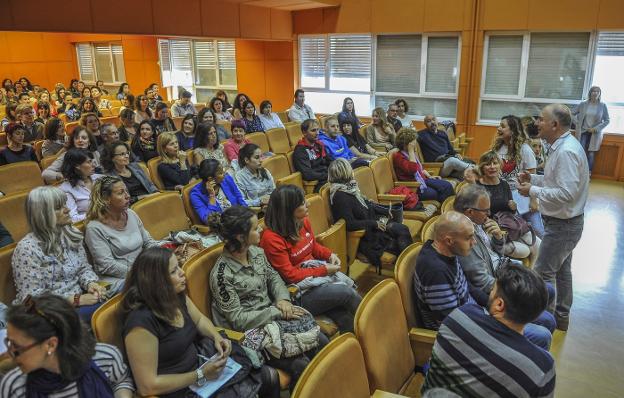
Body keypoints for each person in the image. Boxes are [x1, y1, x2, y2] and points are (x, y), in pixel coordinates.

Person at [209, 206, 323, 394]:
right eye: (255, 228)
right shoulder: (221, 275)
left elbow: (274, 278)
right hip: (250, 333)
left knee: (320, 340)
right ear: (240, 237)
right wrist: (276, 311)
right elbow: (237, 319)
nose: (261, 230)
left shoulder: (256, 252)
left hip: (273, 317)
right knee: (302, 366)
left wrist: (283, 299)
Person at [122, 247, 256, 398]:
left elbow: (199, 320)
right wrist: (200, 374)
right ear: (156, 282)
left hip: (200, 369)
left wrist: (217, 337)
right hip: (178, 389)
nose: (182, 272)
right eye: (173, 271)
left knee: (268, 376)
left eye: (178, 266)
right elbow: (148, 386)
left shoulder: (175, 295)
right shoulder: (141, 323)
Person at [413, 211, 553, 350]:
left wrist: (491, 303)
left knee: (546, 319)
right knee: (542, 335)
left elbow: (468, 285)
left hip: (475, 315)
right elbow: (451, 320)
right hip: (463, 334)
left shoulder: (446, 251)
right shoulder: (435, 271)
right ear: (449, 240)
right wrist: (493, 318)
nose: (474, 242)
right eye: (468, 238)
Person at [421, 265, 556, 398]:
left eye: (492, 290)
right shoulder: (543, 368)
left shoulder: (460, 315)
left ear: (499, 304)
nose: (490, 293)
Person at [517, 104, 589, 331]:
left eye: (541, 119)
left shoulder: (566, 151)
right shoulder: (562, 146)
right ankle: (561, 317)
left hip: (563, 225)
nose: (536, 123)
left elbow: (566, 194)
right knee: (562, 270)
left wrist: (532, 191)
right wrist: (534, 178)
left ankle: (543, 323)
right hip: (565, 223)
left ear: (555, 125)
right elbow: (556, 182)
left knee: (542, 274)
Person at [260, 185, 362, 333]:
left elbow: (313, 246)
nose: (308, 204)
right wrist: (324, 270)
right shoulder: (271, 239)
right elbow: (290, 275)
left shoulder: (303, 221)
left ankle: (362, 344)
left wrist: (329, 254)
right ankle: (372, 324)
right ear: (288, 210)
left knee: (344, 316)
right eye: (302, 203)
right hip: (298, 292)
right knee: (347, 293)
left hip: (314, 278)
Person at [0, 294, 135, 397]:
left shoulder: (106, 358)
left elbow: (121, 382)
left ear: (51, 345)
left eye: (16, 346)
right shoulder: (14, 386)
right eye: (9, 342)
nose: (9, 353)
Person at [11, 187, 108, 319]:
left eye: (65, 204)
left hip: (82, 299)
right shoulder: (27, 249)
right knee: (110, 310)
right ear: (43, 214)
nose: (67, 209)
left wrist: (91, 284)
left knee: (120, 297)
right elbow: (31, 300)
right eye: (58, 208)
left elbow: (83, 269)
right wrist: (76, 300)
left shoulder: (70, 233)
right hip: (50, 314)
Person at [328, 158, 412, 269]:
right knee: (399, 239)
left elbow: (368, 205)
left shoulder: (351, 187)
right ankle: (407, 268)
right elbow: (349, 224)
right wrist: (374, 223)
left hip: (372, 224)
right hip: (365, 236)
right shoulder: (340, 196)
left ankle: (408, 267)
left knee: (402, 229)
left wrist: (386, 211)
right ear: (346, 172)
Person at [85, 176, 161, 290]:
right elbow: (107, 266)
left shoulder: (131, 213)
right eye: (121, 193)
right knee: (161, 285)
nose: (128, 196)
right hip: (119, 279)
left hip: (143, 269)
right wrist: (141, 273)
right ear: (106, 199)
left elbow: (148, 242)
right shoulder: (94, 228)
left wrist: (162, 256)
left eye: (126, 191)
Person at [476, 151, 539, 261]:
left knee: (538, 244)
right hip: (491, 230)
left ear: (500, 165)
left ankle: (532, 274)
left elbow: (511, 212)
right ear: (482, 167)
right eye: (488, 164)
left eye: (495, 163)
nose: (492, 167)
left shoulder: (504, 184)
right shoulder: (478, 186)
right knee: (525, 251)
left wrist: (513, 208)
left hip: (509, 226)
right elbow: (478, 214)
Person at [492, 115, 544, 238]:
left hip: (522, 197)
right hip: (503, 198)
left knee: (538, 230)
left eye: (503, 126)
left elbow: (532, 178)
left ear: (513, 131)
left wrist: (533, 200)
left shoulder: (525, 150)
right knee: (516, 231)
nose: (498, 128)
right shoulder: (497, 148)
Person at [393, 128, 454, 203]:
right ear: (407, 144)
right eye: (413, 142)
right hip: (413, 186)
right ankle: (444, 210)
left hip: (422, 180)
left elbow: (418, 169)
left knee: (447, 186)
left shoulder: (409, 153)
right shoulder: (399, 156)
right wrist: (411, 151)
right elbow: (413, 169)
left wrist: (428, 175)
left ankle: (449, 209)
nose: (415, 143)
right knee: (435, 193)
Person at [417, 114, 472, 178]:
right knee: (452, 161)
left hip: (448, 161)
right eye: (429, 121)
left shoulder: (442, 133)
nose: (432, 122)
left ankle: (475, 173)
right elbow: (409, 137)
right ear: (425, 124)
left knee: (467, 172)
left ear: (437, 121)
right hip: (437, 167)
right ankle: (474, 169)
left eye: (433, 120)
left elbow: (450, 149)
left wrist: (456, 154)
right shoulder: (421, 135)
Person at [59, 149, 104, 223]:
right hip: (90, 225)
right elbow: (73, 218)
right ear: (77, 166)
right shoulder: (65, 189)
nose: (94, 165)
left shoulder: (100, 178)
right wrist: (98, 214)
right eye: (89, 162)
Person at [572, 86, 609, 173]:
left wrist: (596, 128)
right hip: (583, 131)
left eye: (597, 91)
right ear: (590, 93)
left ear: (599, 94)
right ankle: (579, 172)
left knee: (591, 154)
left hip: (594, 133)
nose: (595, 93)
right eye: (593, 91)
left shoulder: (602, 106)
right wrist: (577, 123)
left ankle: (588, 173)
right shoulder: (583, 104)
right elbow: (572, 113)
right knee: (580, 152)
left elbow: (607, 120)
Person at [292, 118, 331, 192]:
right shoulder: (300, 150)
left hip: (326, 175)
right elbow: (308, 174)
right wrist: (329, 175)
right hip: (318, 183)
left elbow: (329, 160)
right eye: (313, 130)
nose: (317, 133)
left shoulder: (319, 145)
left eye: (317, 130)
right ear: (304, 132)